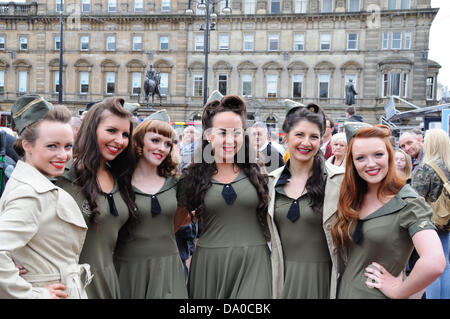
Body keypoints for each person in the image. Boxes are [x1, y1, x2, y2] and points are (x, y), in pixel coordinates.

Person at [331, 122, 445, 299]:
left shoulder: (408, 202)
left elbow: (434, 262)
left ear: (390, 156)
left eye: (378, 154)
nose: (370, 164)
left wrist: (399, 290)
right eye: (360, 158)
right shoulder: (352, 197)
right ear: (352, 162)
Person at [175, 95, 272, 299]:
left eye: (237, 132)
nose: (231, 140)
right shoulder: (192, 176)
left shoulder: (258, 172)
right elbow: (174, 222)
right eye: (223, 133)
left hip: (254, 262)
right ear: (209, 135)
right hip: (210, 265)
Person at [0, 94, 92, 298]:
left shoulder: (33, 183)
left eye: (68, 146)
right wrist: (35, 294)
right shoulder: (29, 193)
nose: (63, 155)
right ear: (27, 145)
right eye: (52, 146)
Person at [56, 97, 136, 299]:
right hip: (69, 285)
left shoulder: (121, 177)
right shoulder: (62, 177)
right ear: (92, 130)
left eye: (125, 134)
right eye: (111, 131)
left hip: (108, 280)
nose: (120, 140)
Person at [267, 103, 345, 299]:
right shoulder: (269, 182)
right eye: (299, 135)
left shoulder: (340, 180)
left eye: (314, 137)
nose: (306, 143)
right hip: (279, 279)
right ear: (286, 136)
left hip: (324, 280)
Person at [114, 110, 188, 299]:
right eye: (155, 140)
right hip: (129, 270)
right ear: (139, 141)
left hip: (169, 269)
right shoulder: (118, 183)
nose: (162, 148)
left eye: (167, 144)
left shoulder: (176, 183)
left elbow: (182, 219)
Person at [412, 128, 450, 299]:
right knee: (445, 264)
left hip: (429, 223)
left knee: (431, 265)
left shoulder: (426, 169)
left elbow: (415, 199)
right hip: (447, 221)